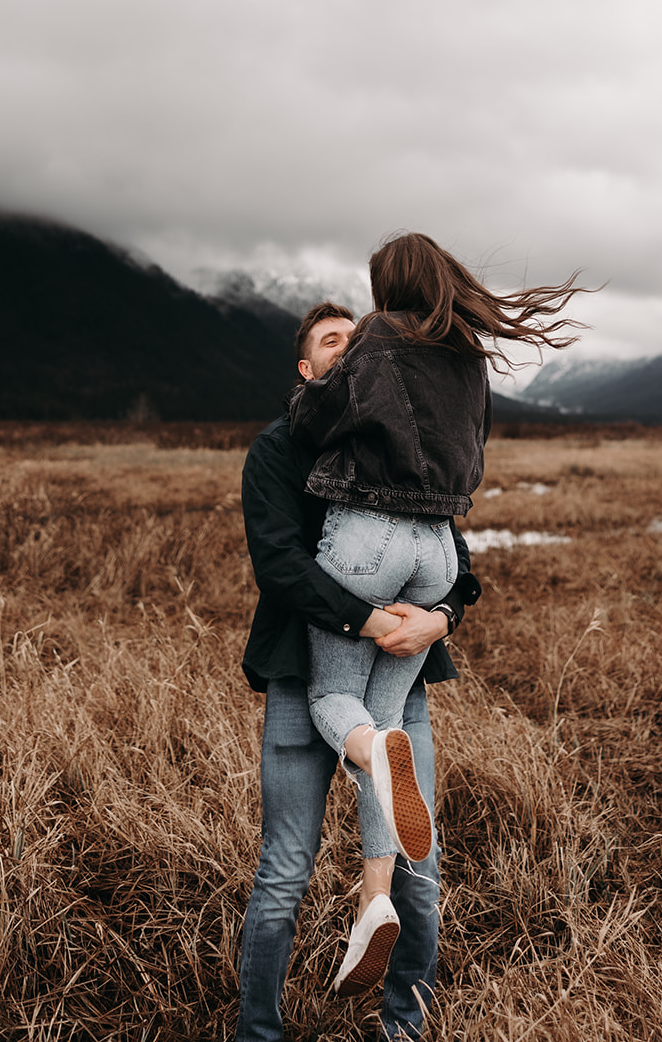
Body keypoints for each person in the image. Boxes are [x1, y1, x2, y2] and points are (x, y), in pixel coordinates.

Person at [288, 233, 588, 998]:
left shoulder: (380, 335)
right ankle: (374, 902)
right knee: (385, 725)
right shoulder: (466, 352)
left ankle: (373, 756)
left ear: (388, 284)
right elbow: (474, 449)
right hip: (440, 552)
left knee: (332, 699)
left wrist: (307, 392)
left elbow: (317, 419)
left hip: (370, 534)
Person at [235, 300, 481, 1042]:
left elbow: (452, 561)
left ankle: (401, 1026)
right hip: (299, 677)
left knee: (421, 871)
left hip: (400, 668)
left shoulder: (396, 441)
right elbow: (278, 564)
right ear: (307, 371)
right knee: (284, 871)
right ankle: (259, 1032)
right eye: (333, 342)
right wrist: (372, 620)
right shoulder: (276, 450)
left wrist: (440, 620)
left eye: (359, 341)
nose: (352, 351)